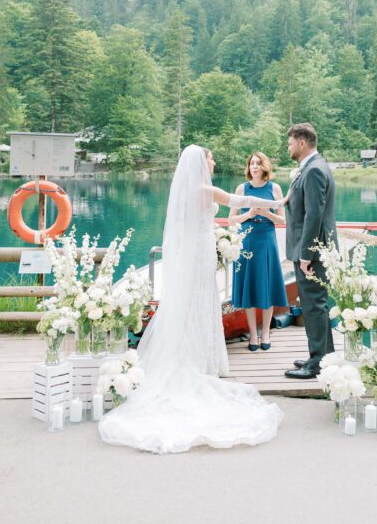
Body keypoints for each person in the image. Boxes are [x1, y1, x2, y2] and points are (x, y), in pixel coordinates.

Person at [99, 145, 285, 453]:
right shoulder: (205, 187)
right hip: (200, 255)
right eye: (211, 158)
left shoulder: (186, 190)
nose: (213, 161)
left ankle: (195, 356)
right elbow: (240, 201)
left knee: (193, 306)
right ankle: (201, 362)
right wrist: (279, 202)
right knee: (202, 304)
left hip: (193, 253)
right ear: (201, 162)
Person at [283, 123, 337, 380]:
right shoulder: (314, 167)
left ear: (302, 142)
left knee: (313, 305)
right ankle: (324, 356)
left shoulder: (314, 170)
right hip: (312, 249)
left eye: (291, 142)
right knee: (317, 305)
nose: (289, 147)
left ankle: (316, 364)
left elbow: (313, 216)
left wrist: (305, 255)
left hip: (312, 253)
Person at [229, 152, 287, 351]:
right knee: (249, 286)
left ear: (264, 166)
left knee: (267, 285)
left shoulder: (275, 188)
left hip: (266, 240)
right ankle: (253, 334)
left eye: (258, 163)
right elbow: (231, 220)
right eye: (251, 163)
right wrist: (248, 214)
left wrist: (265, 213)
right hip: (247, 241)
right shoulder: (241, 188)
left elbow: (283, 220)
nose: (254, 166)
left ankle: (265, 332)